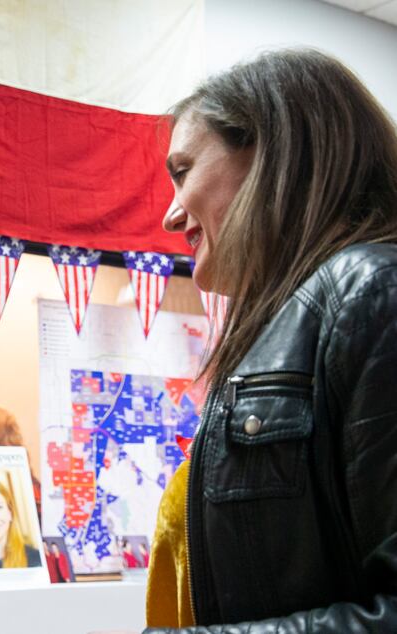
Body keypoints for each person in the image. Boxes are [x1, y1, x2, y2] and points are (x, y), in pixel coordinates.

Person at [144, 48, 397, 631]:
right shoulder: (291, 325)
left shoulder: (372, 293)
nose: (170, 215)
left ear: (272, 154)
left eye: (182, 171)